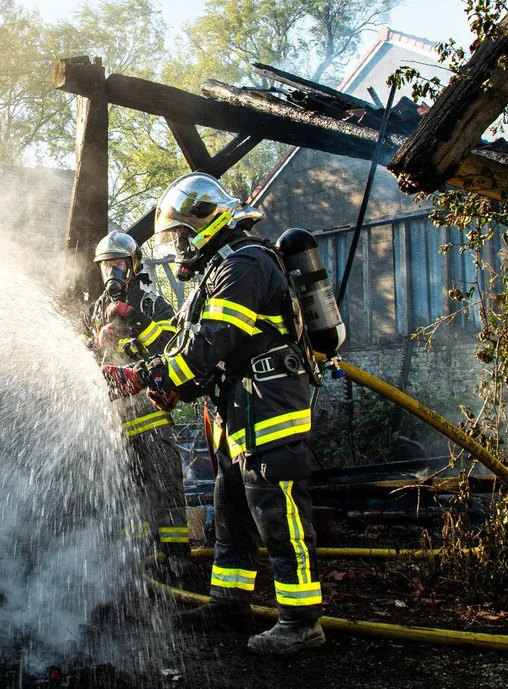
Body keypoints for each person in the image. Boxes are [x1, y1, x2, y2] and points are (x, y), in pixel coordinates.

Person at [101, 173, 325, 655]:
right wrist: (159, 378)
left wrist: (146, 378)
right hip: (235, 411)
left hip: (269, 406)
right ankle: (229, 602)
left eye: (180, 235)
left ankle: (302, 621)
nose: (178, 246)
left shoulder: (244, 263)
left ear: (205, 223)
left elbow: (210, 345)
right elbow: (195, 351)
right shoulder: (218, 268)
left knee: (277, 509)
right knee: (231, 511)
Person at [86, 231, 192, 571]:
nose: (112, 272)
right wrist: (95, 342)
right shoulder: (95, 311)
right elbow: (82, 359)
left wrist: (134, 319)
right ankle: (139, 561)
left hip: (151, 411)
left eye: (119, 263)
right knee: (128, 491)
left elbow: (171, 346)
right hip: (115, 417)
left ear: (133, 265)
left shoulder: (150, 303)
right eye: (106, 266)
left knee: (166, 487)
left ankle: (177, 560)